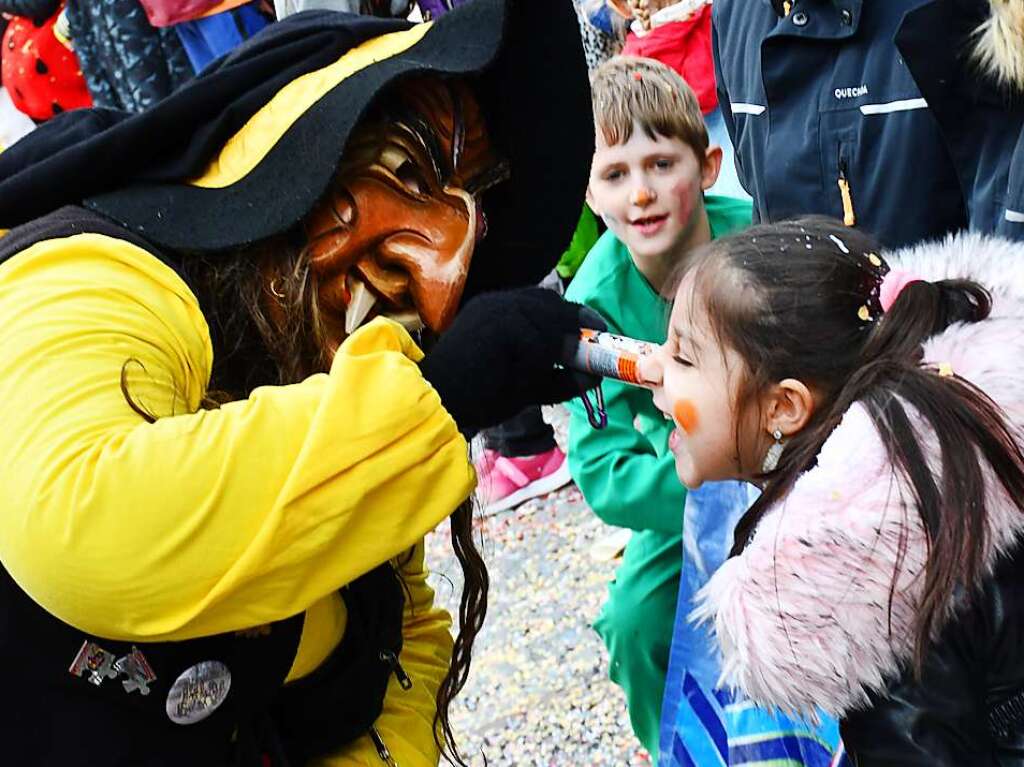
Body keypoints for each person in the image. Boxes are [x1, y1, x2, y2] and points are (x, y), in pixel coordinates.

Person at [0, 2, 596, 765]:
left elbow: (402, 642)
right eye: (409, 174)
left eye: (472, 231)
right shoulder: (87, 278)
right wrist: (438, 405)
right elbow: (81, 523)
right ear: (290, 154)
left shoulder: (337, 400)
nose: (442, 285)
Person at [646, 216, 1024, 764]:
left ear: (783, 407)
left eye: (683, 356)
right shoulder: (940, 455)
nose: (653, 368)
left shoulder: (871, 576)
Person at [562, 55, 751, 759]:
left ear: (706, 167)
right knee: (636, 623)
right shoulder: (590, 312)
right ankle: (681, 747)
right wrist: (710, 484)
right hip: (687, 505)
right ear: (588, 192)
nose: (640, 193)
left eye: (660, 164)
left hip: (794, 475)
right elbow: (605, 465)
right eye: (615, 174)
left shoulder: (758, 240)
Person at [711, 0, 968, 248]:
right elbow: (755, 186)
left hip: (936, 282)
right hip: (788, 286)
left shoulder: (943, 11)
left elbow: (995, 209)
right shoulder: (732, 14)